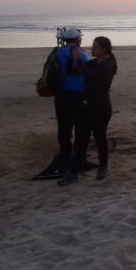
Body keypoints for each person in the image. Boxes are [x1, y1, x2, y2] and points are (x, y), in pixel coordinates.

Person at [57, 36, 118, 185]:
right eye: (92, 45)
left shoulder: (108, 65)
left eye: (95, 46)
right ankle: (73, 172)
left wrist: (78, 59)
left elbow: (89, 77)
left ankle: (103, 166)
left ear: (104, 49)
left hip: (100, 108)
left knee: (100, 138)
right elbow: (71, 71)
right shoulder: (93, 63)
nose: (92, 48)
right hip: (85, 107)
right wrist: (71, 57)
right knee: (81, 141)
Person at [52, 27, 89, 155]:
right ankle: (79, 151)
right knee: (80, 124)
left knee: (63, 124)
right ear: (75, 40)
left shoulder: (56, 52)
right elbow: (87, 73)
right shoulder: (81, 54)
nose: (80, 40)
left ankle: (65, 150)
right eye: (79, 38)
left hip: (60, 93)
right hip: (77, 93)